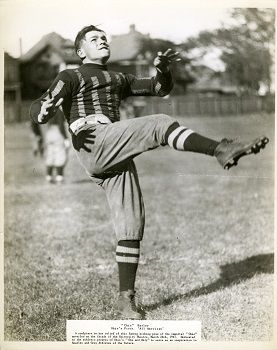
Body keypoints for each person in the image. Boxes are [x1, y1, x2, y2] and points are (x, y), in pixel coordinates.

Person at [29, 25, 269, 319]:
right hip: (93, 140)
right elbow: (41, 105)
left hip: (115, 149)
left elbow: (159, 89)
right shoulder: (71, 75)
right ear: (81, 52)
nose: (102, 41)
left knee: (131, 223)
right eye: (94, 39)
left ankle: (126, 300)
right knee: (158, 123)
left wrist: (163, 69)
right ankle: (221, 149)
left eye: (104, 37)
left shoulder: (119, 77)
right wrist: (43, 111)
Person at [31, 108, 70, 183]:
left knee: (50, 155)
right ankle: (59, 177)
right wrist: (65, 138)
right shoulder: (58, 111)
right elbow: (60, 125)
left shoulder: (47, 110)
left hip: (49, 133)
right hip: (57, 133)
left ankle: (49, 176)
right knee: (60, 155)